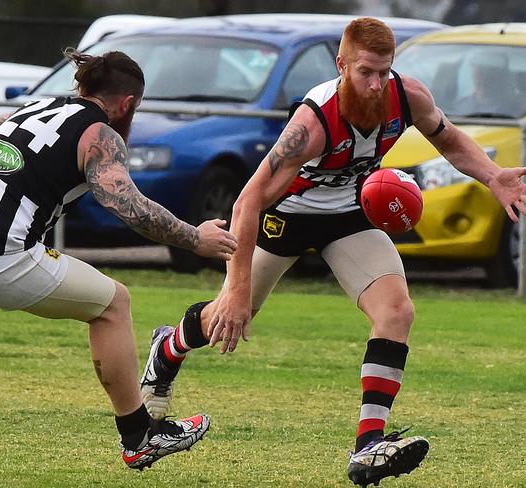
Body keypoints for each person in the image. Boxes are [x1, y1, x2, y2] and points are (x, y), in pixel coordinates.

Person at [139, 17, 526, 486]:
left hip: (348, 215)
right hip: (287, 216)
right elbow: (248, 201)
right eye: (366, 71)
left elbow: (447, 138)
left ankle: (368, 446)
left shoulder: (408, 95)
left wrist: (492, 176)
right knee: (230, 313)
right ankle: (169, 346)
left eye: (385, 71)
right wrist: (237, 288)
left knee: (397, 312)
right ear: (341, 64)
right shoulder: (314, 122)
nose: (377, 83)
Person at [0, 49, 238, 470]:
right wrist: (196, 237)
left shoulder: (34, 108)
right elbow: (128, 206)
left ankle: (140, 433)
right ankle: (139, 435)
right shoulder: (100, 136)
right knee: (112, 304)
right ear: (128, 103)